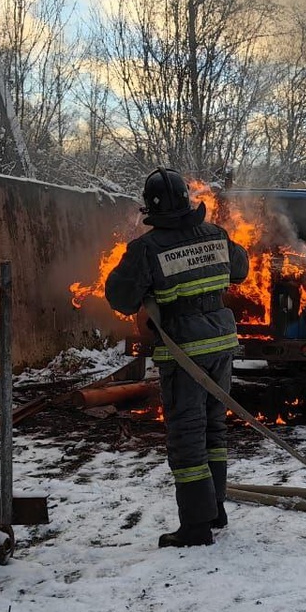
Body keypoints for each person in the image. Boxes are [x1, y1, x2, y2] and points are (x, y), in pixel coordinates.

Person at [106, 168, 249, 548]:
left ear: (151, 208)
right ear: (187, 202)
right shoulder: (216, 234)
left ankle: (196, 526)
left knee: (187, 437)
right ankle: (215, 510)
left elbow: (121, 298)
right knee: (213, 429)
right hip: (221, 344)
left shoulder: (147, 249)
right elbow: (241, 269)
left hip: (185, 353)